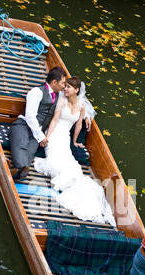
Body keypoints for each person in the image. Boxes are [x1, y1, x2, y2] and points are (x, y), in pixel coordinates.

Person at [34, 76, 115, 226]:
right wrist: (47, 136)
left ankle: (84, 197)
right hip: (55, 136)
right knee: (56, 164)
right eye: (65, 86)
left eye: (69, 87)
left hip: (65, 138)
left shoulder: (82, 105)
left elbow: (78, 125)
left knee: (72, 166)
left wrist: (75, 141)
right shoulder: (62, 101)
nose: (65, 89)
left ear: (76, 90)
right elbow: (54, 120)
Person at [9, 66, 67, 180]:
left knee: (30, 151)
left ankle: (19, 170)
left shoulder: (59, 95)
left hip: (37, 133)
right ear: (54, 82)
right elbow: (30, 116)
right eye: (63, 83)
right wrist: (41, 137)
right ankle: (21, 168)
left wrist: (87, 115)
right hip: (23, 125)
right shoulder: (36, 92)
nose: (64, 86)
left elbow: (75, 100)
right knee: (21, 144)